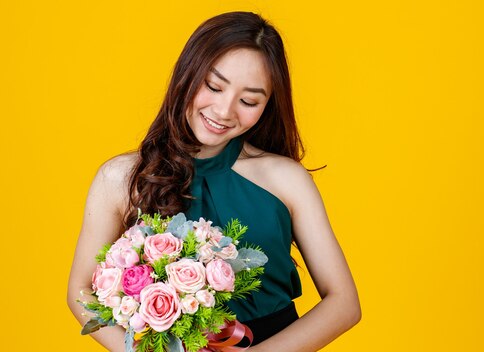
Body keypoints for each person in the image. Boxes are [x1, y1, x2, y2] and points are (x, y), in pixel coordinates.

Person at [67, 11, 361, 352]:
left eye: (249, 100)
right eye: (214, 86)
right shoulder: (120, 178)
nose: (224, 111)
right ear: (186, 75)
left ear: (267, 105)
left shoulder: (286, 179)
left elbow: (344, 304)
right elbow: (81, 290)